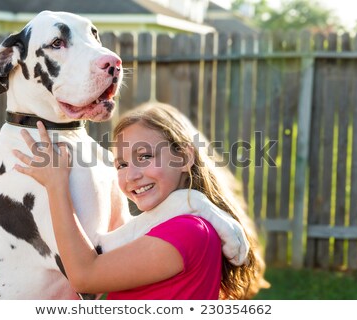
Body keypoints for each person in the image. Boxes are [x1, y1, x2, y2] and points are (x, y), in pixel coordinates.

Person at [13, 102, 263, 299]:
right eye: (121, 164)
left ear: (185, 159)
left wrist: (56, 185)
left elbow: (84, 277)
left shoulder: (188, 231)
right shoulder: (182, 222)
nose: (131, 175)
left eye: (144, 157)